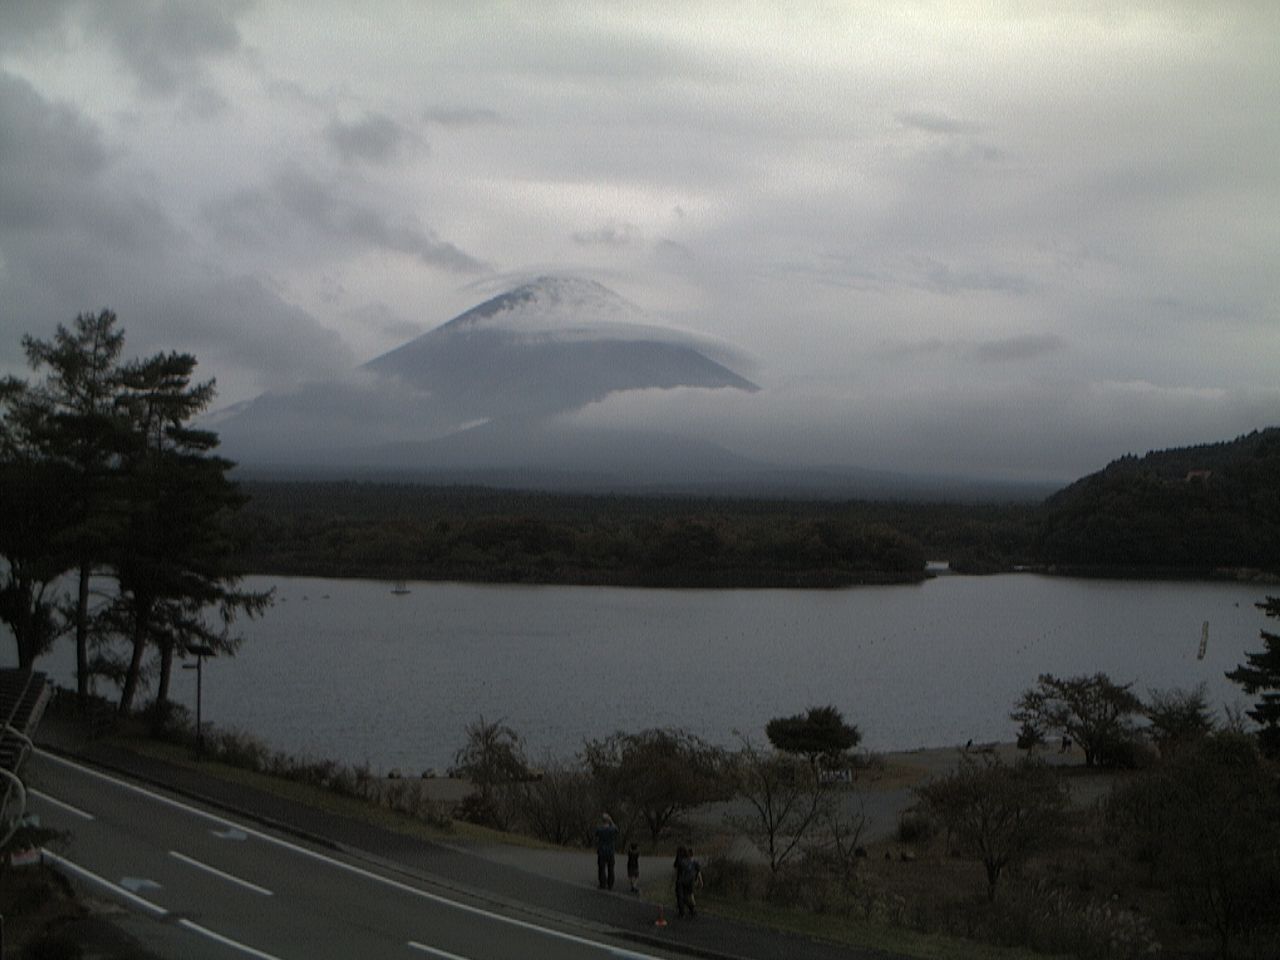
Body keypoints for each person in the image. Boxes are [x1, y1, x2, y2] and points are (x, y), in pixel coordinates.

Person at [673, 845, 702, 917]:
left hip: (681, 881)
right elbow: (698, 871)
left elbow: (676, 868)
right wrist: (700, 880)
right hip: (690, 881)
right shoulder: (692, 860)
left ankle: (682, 913)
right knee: (689, 895)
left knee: (680, 896)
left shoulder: (680, 860)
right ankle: (692, 910)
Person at [595, 813, 619, 889]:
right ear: (608, 820)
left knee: (601, 868)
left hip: (602, 851)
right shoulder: (612, 829)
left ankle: (602, 883)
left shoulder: (600, 829)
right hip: (610, 851)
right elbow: (617, 830)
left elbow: (596, 834)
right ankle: (610, 884)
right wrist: (611, 821)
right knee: (611, 868)